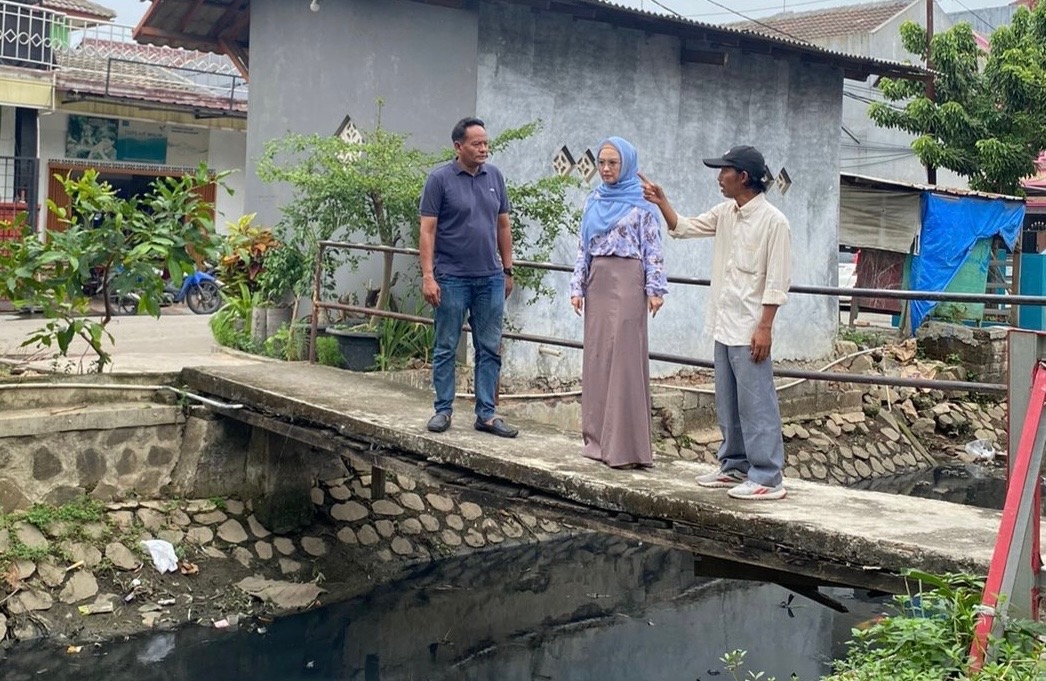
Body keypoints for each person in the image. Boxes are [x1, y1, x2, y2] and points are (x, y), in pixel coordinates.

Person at [642, 145, 791, 500]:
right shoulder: (727, 213)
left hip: (751, 326)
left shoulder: (774, 222)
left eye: (724, 170)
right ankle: (735, 465)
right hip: (725, 323)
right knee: (728, 401)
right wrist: (662, 202)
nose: (718, 177)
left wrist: (765, 327)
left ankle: (768, 477)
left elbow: (777, 280)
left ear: (742, 177)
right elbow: (684, 227)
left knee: (757, 403)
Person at [570, 137, 666, 469]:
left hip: (629, 282)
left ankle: (626, 447)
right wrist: (576, 286)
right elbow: (583, 246)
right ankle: (596, 441)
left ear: (626, 164)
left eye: (613, 163)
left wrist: (655, 289)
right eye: (602, 163)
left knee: (624, 359)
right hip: (597, 281)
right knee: (597, 358)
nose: (607, 169)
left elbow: (653, 250)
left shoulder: (642, 203)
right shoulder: (593, 200)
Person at [419, 117, 519, 438]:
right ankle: (443, 410)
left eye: (486, 143)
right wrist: (428, 276)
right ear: (458, 146)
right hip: (451, 278)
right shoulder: (439, 180)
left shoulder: (496, 178)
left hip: (490, 277)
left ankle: (486, 414)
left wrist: (507, 269)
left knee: (490, 347)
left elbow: (503, 225)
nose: (484, 149)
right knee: (446, 345)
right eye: (477, 144)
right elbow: (427, 230)